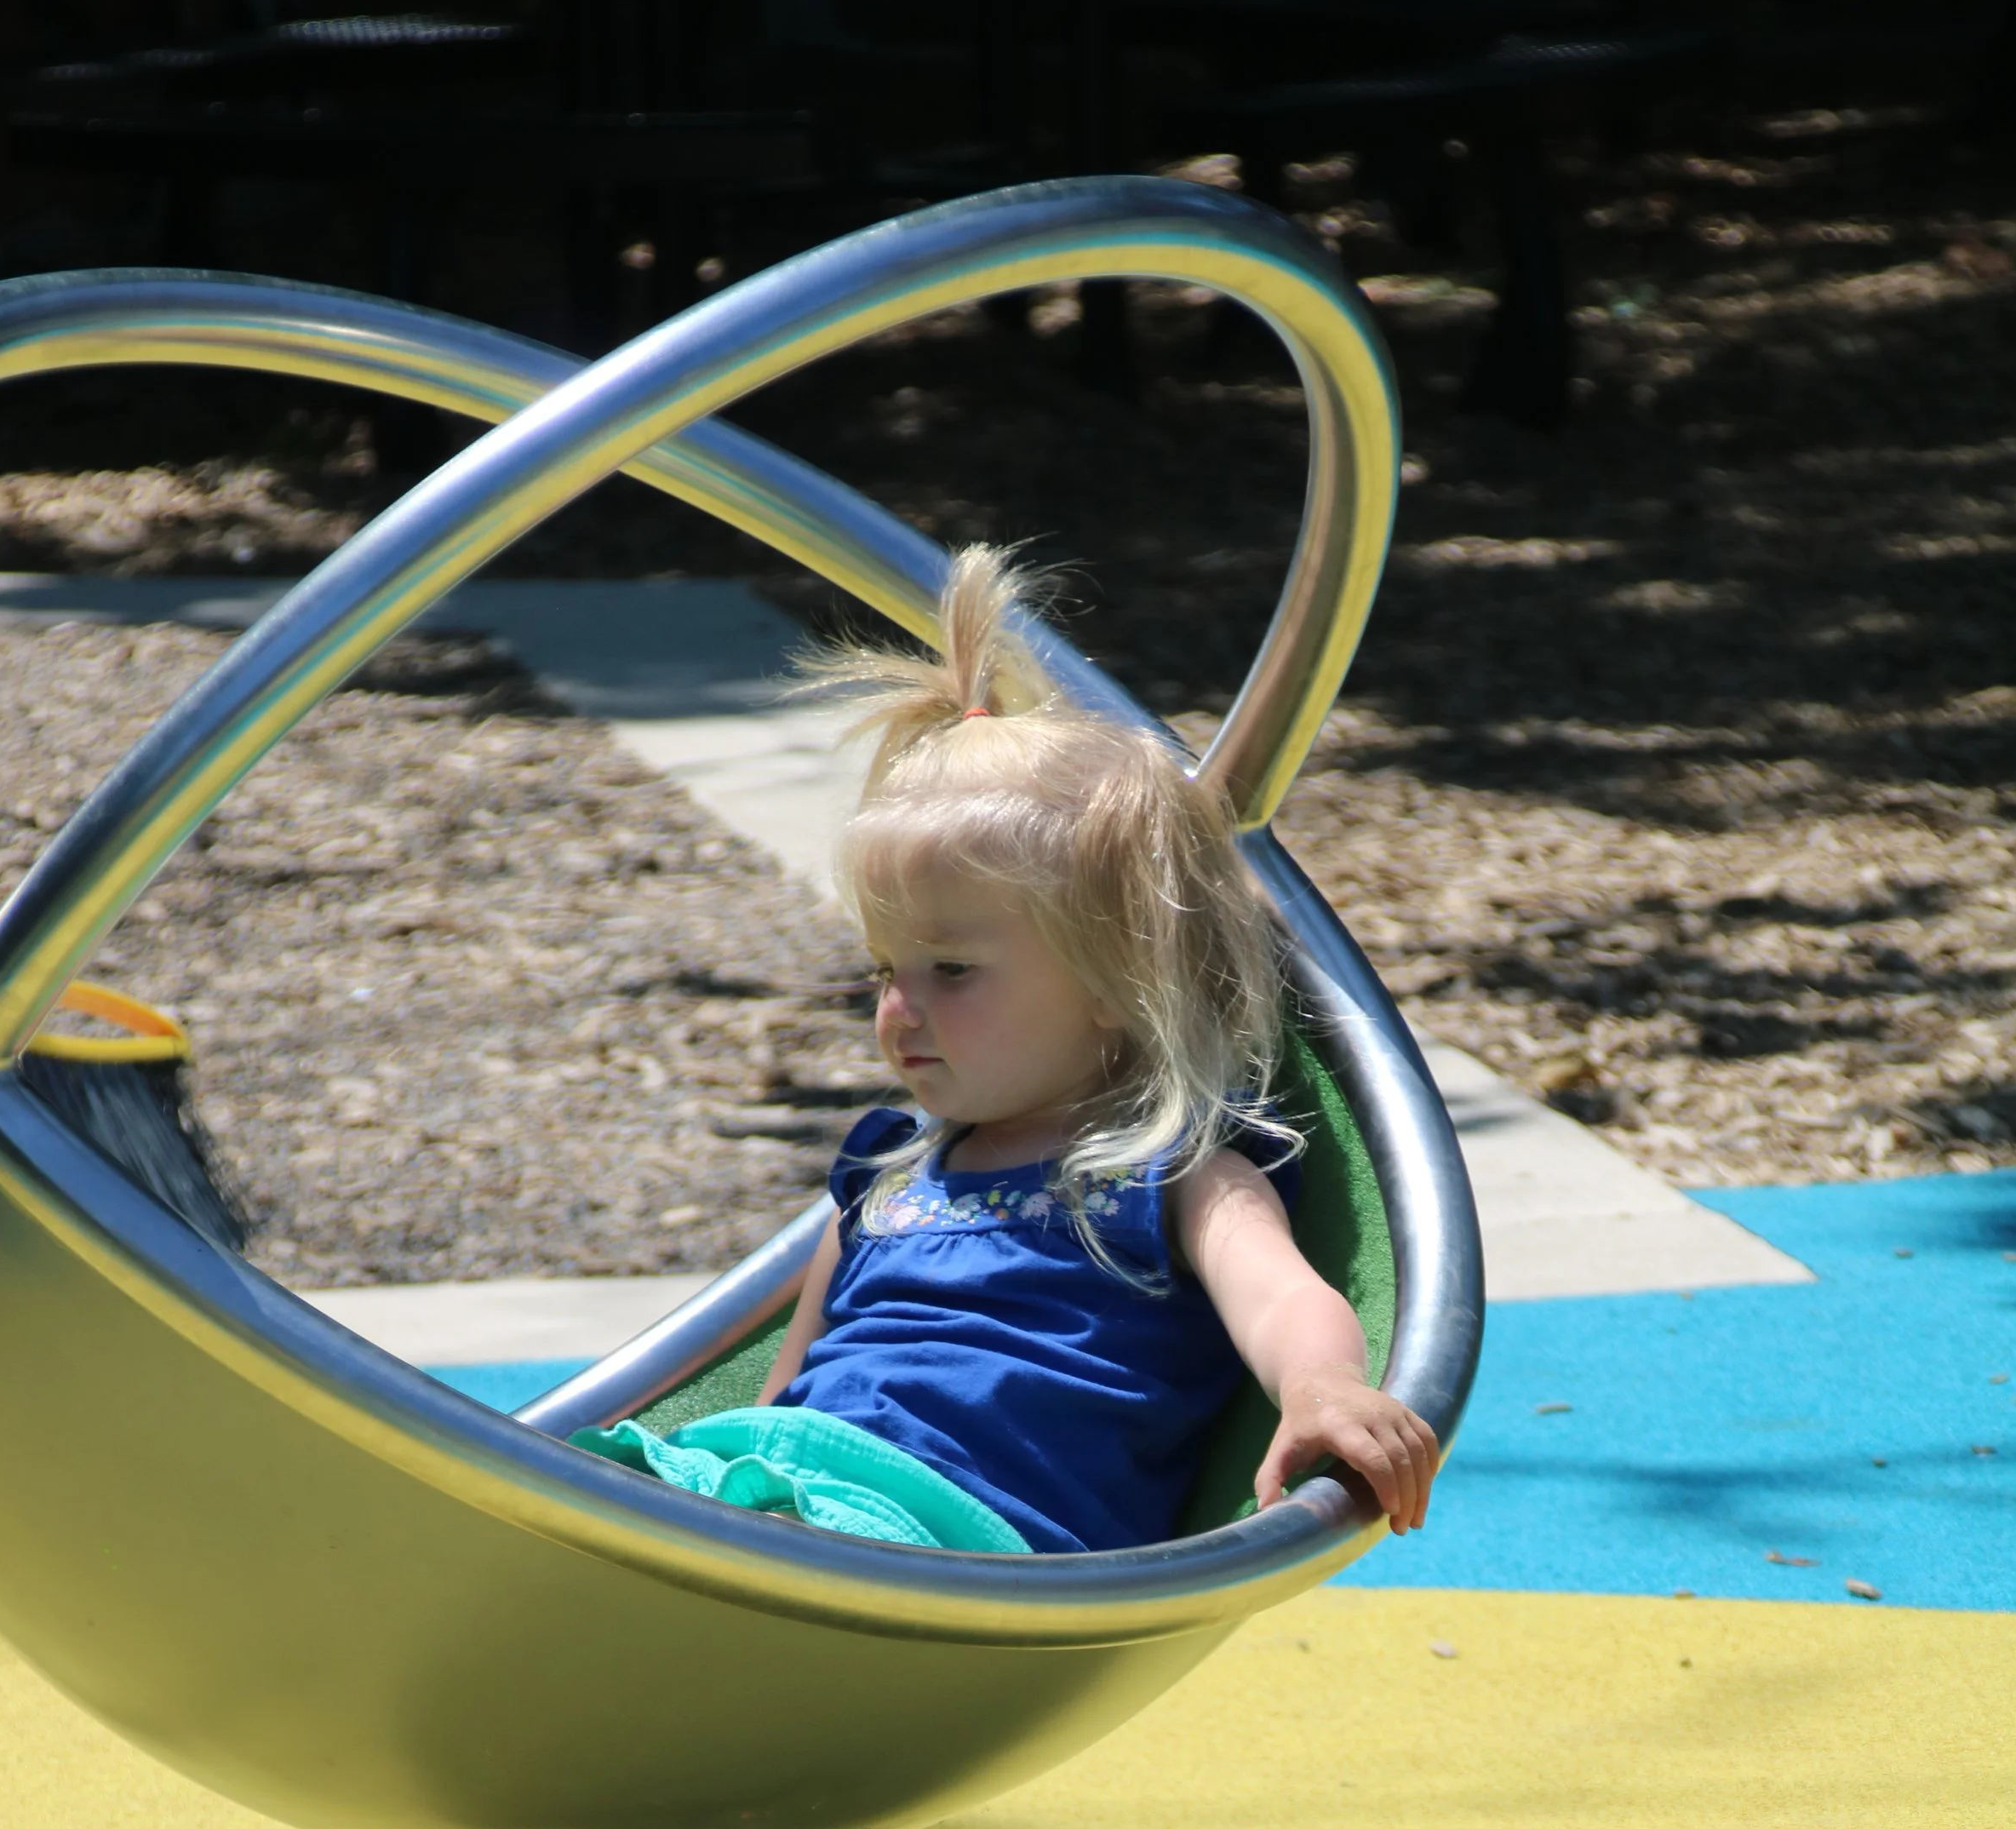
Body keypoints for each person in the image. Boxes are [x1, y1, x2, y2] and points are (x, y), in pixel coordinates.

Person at [580, 548, 1436, 1555]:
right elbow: (786, 1396)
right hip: (798, 1501)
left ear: (1119, 983)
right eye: (884, 968)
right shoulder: (883, 1178)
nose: (898, 1007)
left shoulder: (1166, 1175)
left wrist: (1322, 1386)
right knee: (604, 1494)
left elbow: (1283, 1297)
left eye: (950, 971)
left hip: (968, 1538)